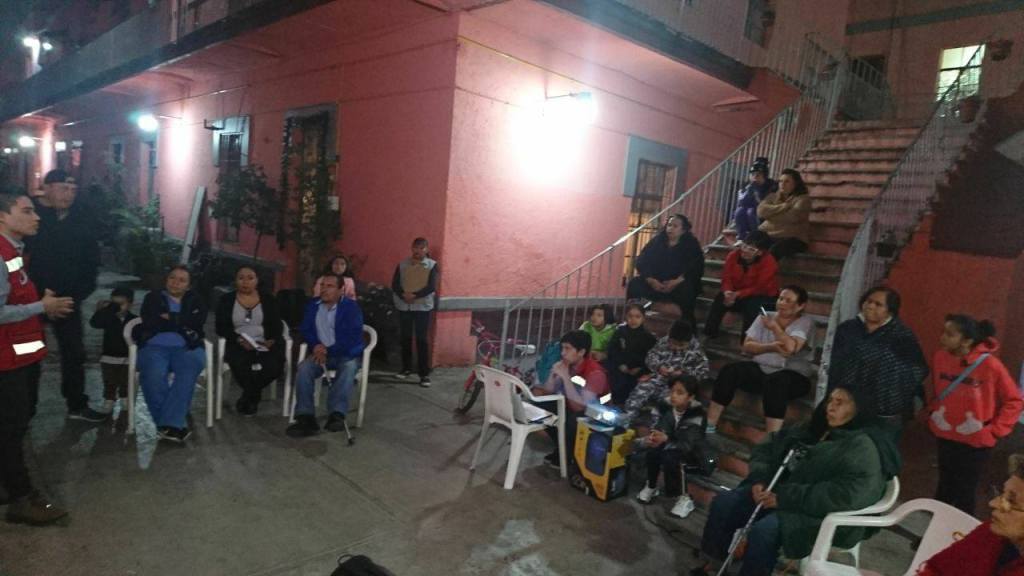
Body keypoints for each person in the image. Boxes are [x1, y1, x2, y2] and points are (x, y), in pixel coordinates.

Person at [692, 386, 901, 576]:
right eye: (830, 400)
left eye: (841, 402)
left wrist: (784, 498)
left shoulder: (863, 448)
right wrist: (760, 479)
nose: (831, 407)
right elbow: (767, 447)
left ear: (858, 409)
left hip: (816, 512)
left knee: (764, 531)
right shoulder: (814, 427)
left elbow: (848, 495)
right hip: (777, 492)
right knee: (724, 503)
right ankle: (715, 563)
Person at [0, 192, 74, 525]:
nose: (37, 217)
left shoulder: (14, 251)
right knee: (11, 427)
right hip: (6, 360)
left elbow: (15, 294)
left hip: (20, 355)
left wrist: (42, 307)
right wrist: (40, 307)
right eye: (27, 211)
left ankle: (7, 483)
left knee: (18, 421)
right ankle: (21, 496)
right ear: (2, 216)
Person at [24, 169, 105, 422]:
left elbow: (91, 259)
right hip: (31, 302)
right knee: (29, 353)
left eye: (72, 190)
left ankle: (76, 404)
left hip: (67, 300)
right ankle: (25, 408)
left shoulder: (80, 217)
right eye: (63, 188)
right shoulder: (30, 215)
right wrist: (30, 297)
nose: (68, 194)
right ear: (46, 188)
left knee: (74, 352)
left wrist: (79, 292)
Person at [924, 314, 1022, 515]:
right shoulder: (940, 357)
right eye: (943, 332)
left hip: (976, 441)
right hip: (946, 434)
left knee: (965, 491)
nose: (942, 338)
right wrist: (934, 413)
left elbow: (1014, 400)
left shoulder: (990, 365)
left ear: (967, 341)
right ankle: (936, 528)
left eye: (950, 334)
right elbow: (939, 391)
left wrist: (996, 430)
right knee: (944, 486)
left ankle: (962, 531)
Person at [706, 285, 815, 434]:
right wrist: (771, 347)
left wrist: (774, 327)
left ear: (800, 306)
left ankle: (771, 438)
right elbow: (747, 346)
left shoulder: (805, 322)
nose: (782, 303)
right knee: (730, 371)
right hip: (762, 369)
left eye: (788, 300)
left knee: (776, 383)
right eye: (781, 299)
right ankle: (710, 424)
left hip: (794, 376)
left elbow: (790, 348)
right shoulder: (765, 317)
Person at [828, 286, 928, 423]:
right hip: (847, 403)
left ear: (890, 311)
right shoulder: (847, 329)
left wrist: (890, 391)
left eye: (878, 304)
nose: (870, 306)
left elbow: (917, 370)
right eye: (868, 301)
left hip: (883, 410)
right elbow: (835, 362)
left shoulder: (902, 336)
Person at [916, 453, 1024, 576]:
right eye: (1002, 494)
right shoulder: (992, 534)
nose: (993, 503)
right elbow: (936, 570)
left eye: (1011, 502)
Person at [286, 274, 365, 438]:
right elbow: (306, 329)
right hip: (320, 353)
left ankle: (336, 414)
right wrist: (316, 345)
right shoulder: (313, 305)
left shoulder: (351, 308)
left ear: (340, 290)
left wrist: (328, 350)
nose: (324, 289)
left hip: (344, 353)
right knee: (304, 369)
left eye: (329, 286)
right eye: (322, 285)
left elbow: (352, 338)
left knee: (349, 368)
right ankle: (305, 417)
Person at [135, 266, 207, 443]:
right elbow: (150, 321)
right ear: (166, 280)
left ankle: (168, 424)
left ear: (189, 285)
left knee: (188, 371)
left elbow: (197, 322)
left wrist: (170, 318)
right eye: (172, 278)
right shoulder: (153, 297)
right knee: (153, 374)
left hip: (187, 347)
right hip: (154, 346)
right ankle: (171, 424)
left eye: (182, 280)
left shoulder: (196, 299)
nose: (176, 283)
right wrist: (181, 320)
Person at [531, 330, 610, 471]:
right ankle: (562, 448)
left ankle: (569, 455)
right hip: (572, 406)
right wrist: (553, 374)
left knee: (573, 420)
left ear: (581, 352)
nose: (563, 353)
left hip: (596, 415)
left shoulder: (595, 372)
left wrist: (566, 378)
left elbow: (580, 407)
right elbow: (548, 392)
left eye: (567, 349)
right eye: (562, 348)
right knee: (541, 405)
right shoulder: (567, 364)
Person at [215, 266, 285, 416]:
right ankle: (253, 397)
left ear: (257, 280)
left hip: (264, 342)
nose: (245, 282)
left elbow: (277, 325)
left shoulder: (268, 299)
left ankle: (248, 396)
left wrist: (271, 340)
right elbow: (221, 327)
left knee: (274, 366)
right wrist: (239, 339)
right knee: (241, 365)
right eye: (241, 278)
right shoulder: (226, 300)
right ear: (235, 280)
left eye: (250, 278)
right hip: (238, 343)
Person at [635, 375, 706, 519]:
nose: (673, 396)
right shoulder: (667, 406)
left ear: (691, 397)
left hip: (693, 452)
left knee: (670, 456)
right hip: (670, 443)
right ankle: (652, 485)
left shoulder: (697, 415)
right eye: (672, 391)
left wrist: (665, 439)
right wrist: (654, 437)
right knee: (654, 449)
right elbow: (660, 428)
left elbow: (687, 444)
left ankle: (684, 498)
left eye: (680, 393)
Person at [623, 319, 710, 427]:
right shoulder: (664, 341)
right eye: (673, 343)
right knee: (640, 391)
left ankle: (657, 429)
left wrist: (683, 374)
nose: (676, 347)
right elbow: (651, 356)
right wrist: (659, 367)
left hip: (677, 385)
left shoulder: (696, 351)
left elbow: (703, 372)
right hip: (659, 378)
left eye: (681, 345)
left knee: (666, 403)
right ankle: (627, 420)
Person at [625, 214, 704, 325]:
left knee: (687, 289)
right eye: (669, 225)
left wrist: (676, 281)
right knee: (634, 284)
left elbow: (697, 267)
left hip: (677, 285)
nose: (670, 228)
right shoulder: (657, 241)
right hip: (655, 283)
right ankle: (631, 318)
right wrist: (651, 280)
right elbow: (642, 261)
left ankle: (687, 325)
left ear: (683, 230)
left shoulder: (691, 244)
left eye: (675, 226)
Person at [703, 230, 779, 340]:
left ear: (760, 252)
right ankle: (709, 334)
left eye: (751, 249)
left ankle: (746, 341)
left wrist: (737, 294)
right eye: (744, 246)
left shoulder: (769, 262)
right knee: (720, 299)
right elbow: (726, 278)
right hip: (737, 293)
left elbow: (759, 287)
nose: (745, 251)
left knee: (752, 308)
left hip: (762, 295)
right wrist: (727, 292)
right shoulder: (733, 256)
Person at [392, 237, 438, 387]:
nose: (418, 251)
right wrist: (403, 295)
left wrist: (415, 295)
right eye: (415, 247)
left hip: (422, 307)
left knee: (421, 340)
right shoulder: (402, 264)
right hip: (404, 306)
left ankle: (424, 374)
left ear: (426, 249)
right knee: (405, 338)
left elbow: (431, 286)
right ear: (411, 248)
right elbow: (395, 284)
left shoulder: (432, 265)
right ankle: (406, 368)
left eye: (421, 248)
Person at [88, 286, 137, 415]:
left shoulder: (134, 320)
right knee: (109, 381)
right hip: (108, 357)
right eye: (114, 304)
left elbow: (140, 335)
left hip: (127, 358)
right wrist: (101, 311)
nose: (117, 308)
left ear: (130, 304)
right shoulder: (108, 317)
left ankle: (125, 398)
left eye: (121, 304)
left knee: (126, 380)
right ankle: (109, 400)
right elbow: (95, 323)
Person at [606, 302, 657, 405]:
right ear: (626, 316)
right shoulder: (620, 331)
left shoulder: (649, 337)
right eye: (630, 316)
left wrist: (640, 368)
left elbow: (651, 357)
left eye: (637, 317)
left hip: (638, 371)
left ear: (643, 318)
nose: (633, 320)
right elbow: (612, 349)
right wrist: (620, 364)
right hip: (620, 368)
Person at [757, 168, 811, 261]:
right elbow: (760, 212)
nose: (782, 184)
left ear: (796, 184)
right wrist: (783, 207)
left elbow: (792, 217)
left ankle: (764, 270)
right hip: (770, 233)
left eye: (787, 181)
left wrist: (769, 215)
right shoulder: (772, 196)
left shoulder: (803, 199)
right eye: (780, 181)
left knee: (774, 251)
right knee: (751, 242)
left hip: (794, 237)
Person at [733, 157, 776, 242]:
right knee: (739, 211)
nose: (755, 177)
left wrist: (756, 190)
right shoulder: (747, 185)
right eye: (752, 174)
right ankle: (741, 237)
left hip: (764, 214)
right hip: (749, 213)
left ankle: (755, 238)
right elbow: (741, 202)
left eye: (758, 174)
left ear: (764, 175)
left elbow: (764, 204)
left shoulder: (772, 185)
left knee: (751, 211)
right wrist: (749, 189)